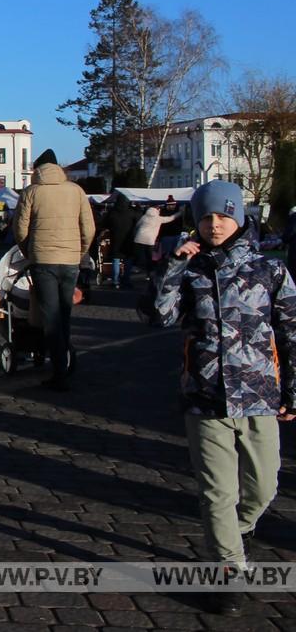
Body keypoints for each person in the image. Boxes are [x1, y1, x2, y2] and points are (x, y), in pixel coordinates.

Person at [152, 180, 295, 616]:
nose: (215, 225)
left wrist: (293, 387)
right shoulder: (189, 270)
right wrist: (173, 268)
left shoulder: (269, 271)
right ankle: (227, 570)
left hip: (259, 395)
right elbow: (160, 317)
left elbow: (291, 332)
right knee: (217, 493)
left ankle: (241, 528)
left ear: (239, 216)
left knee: (264, 484)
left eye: (223, 215)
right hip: (205, 395)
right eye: (206, 217)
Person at [13, 148, 95, 391]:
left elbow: (20, 229)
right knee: (65, 314)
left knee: (50, 316)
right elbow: (88, 228)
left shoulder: (31, 192)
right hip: (70, 261)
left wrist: (30, 252)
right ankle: (65, 362)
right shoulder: (76, 191)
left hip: (43, 260)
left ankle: (59, 370)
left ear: (37, 169)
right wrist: (79, 252)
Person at [101, 193, 139, 287]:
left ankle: (115, 280)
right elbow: (138, 219)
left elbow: (105, 223)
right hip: (128, 239)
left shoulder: (112, 212)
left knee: (116, 260)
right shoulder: (131, 212)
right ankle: (126, 280)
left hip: (115, 238)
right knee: (128, 260)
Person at [133, 204, 181, 273]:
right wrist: (180, 213)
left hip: (138, 238)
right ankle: (149, 272)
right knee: (149, 257)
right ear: (157, 210)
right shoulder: (158, 218)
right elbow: (171, 218)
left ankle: (138, 268)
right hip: (149, 240)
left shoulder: (144, 217)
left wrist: (135, 234)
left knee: (139, 256)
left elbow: (137, 226)